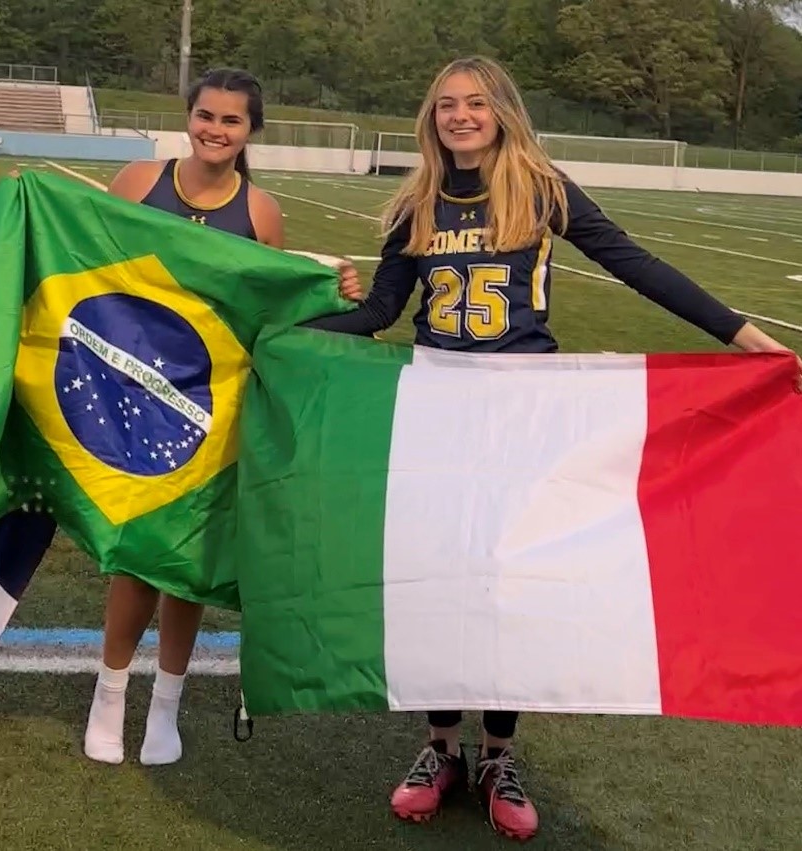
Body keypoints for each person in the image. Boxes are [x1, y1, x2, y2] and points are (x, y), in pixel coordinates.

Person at [305, 56, 802, 841]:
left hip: (525, 416)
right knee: (439, 576)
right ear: (430, 118)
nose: (458, 115)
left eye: (473, 102)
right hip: (438, 413)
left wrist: (740, 336)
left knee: (505, 588)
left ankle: (498, 754)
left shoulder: (539, 188)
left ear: (500, 109)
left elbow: (632, 264)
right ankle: (439, 747)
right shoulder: (416, 203)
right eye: (444, 105)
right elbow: (378, 313)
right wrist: (278, 331)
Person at [81, 66, 364, 768]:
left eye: (231, 121)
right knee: (139, 554)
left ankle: (166, 706)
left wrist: (334, 288)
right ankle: (109, 693)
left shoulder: (260, 211)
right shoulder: (140, 182)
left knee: (192, 558)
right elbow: (92, 270)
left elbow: (267, 306)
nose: (215, 129)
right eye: (205, 115)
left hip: (214, 404)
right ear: (189, 116)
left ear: (249, 131)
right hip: (137, 396)